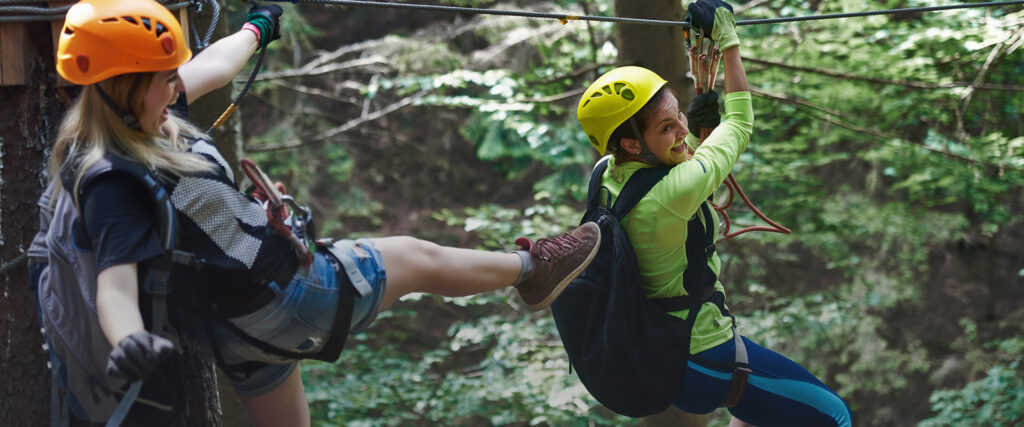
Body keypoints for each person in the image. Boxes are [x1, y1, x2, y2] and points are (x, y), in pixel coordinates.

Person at [45, 0, 599, 425]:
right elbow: (114, 284)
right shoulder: (112, 181)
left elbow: (212, 66)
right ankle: (533, 269)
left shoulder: (140, 117)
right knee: (417, 258)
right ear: (125, 87)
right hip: (285, 297)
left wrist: (257, 28)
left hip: (234, 326)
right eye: (166, 79)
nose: (177, 87)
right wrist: (128, 339)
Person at [574, 1, 852, 426]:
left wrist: (686, 136)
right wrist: (729, 41)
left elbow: (662, 183)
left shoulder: (604, 176)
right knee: (834, 415)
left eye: (679, 115)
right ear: (631, 144)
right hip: (706, 355)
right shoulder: (675, 191)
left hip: (664, 354)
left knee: (758, 414)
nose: (683, 129)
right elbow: (739, 125)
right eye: (667, 127)